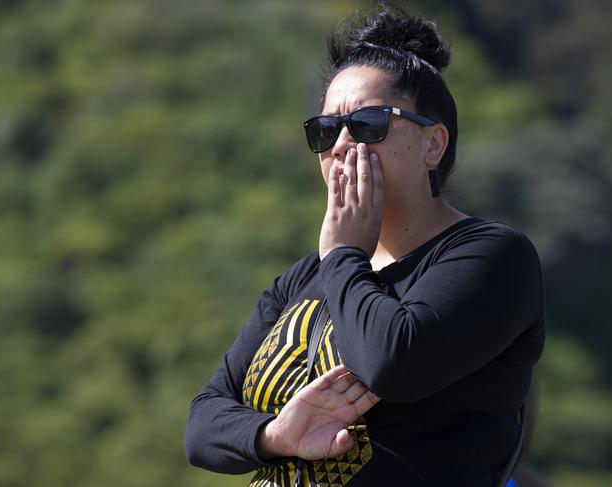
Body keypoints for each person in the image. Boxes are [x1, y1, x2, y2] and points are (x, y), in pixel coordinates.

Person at [184, 2, 545, 486]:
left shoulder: (492, 255)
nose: (340, 145)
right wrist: (275, 435)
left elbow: (393, 364)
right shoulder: (305, 276)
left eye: (368, 124)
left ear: (433, 145)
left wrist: (342, 254)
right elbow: (204, 424)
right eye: (326, 130)